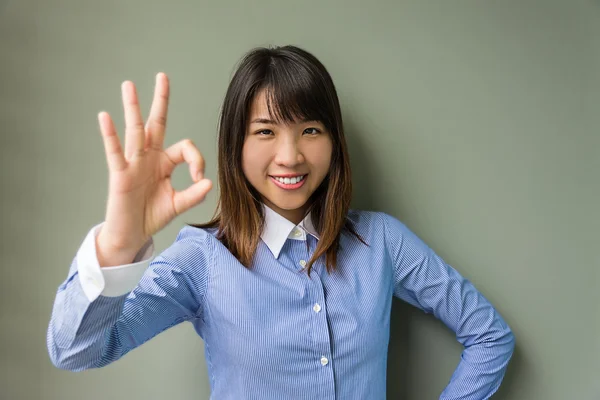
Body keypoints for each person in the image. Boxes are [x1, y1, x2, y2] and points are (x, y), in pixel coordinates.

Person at [47, 45, 515, 399]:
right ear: (237, 145)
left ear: (334, 142)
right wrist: (118, 242)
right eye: (265, 131)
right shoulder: (203, 259)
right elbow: (76, 351)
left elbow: (489, 334)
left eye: (310, 130)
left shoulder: (381, 241)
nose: (290, 156)